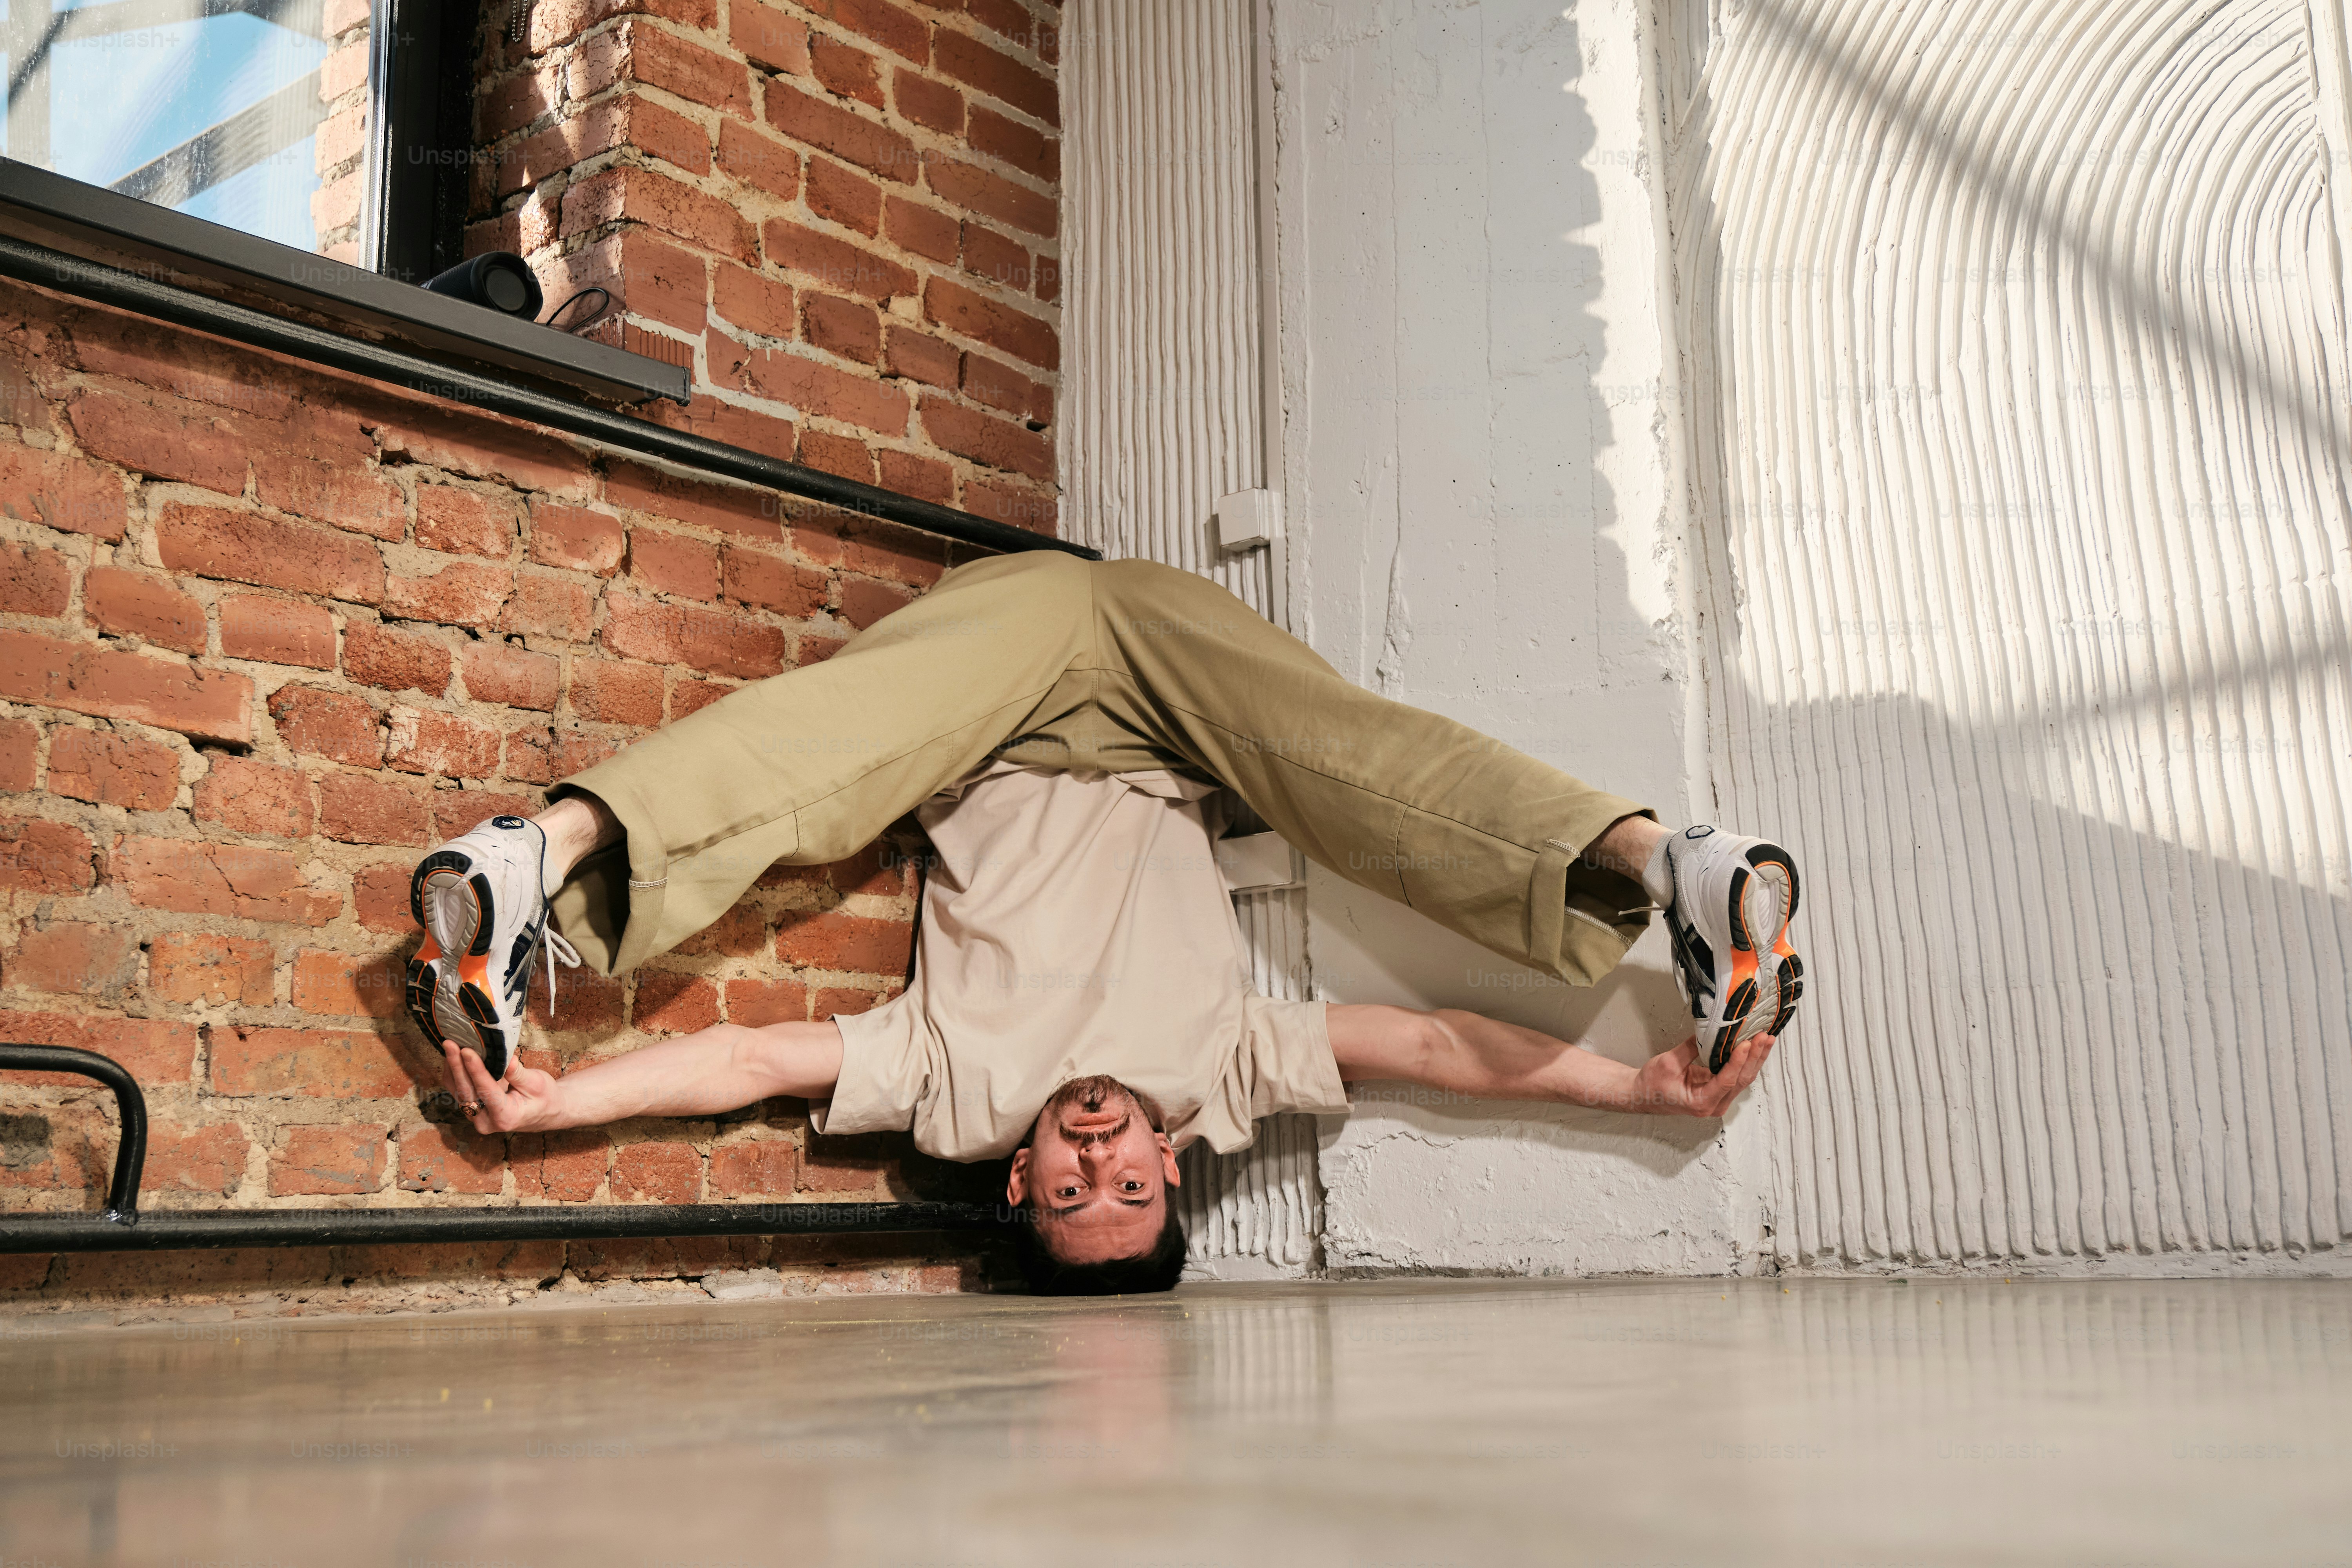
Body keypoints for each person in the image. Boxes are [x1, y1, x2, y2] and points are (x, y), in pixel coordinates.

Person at [403, 552, 1799, 1294]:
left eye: (1071, 1195)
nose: (1096, 1160)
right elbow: (1433, 1044)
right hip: (1162, 680)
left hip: (989, 695)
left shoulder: (954, 1100)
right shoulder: (1220, 1078)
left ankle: (536, 857)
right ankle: (1665, 863)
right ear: (1170, 1171)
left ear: (1016, 1186)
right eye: (1127, 1189)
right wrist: (1636, 1087)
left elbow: (748, 1065)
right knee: (1351, 764)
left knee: (816, 758)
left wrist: (556, 1107)